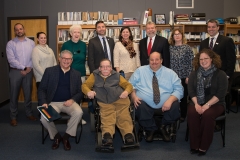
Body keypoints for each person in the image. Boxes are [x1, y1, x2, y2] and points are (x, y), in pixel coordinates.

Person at [129, 52, 183, 142]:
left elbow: (179, 89)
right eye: (152, 60)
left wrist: (170, 100)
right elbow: (130, 85)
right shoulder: (140, 71)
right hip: (145, 104)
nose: (154, 62)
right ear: (148, 61)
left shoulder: (170, 73)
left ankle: (162, 126)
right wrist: (134, 96)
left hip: (166, 104)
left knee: (175, 105)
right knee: (139, 105)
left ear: (161, 61)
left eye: (157, 59)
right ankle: (151, 128)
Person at [82, 59, 135, 146]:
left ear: (111, 68)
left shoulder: (117, 75)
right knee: (107, 115)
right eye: (103, 67)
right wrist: (89, 92)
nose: (105, 69)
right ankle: (107, 135)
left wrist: (126, 92)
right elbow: (85, 85)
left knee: (123, 114)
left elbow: (128, 85)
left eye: (108, 66)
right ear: (99, 68)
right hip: (103, 100)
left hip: (119, 98)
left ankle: (127, 134)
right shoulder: (94, 75)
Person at [38, 50, 83, 151]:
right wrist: (44, 102)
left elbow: (80, 92)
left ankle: (66, 137)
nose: (66, 61)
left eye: (69, 59)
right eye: (64, 58)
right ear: (59, 59)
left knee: (79, 112)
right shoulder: (50, 71)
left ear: (71, 60)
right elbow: (42, 89)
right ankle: (57, 136)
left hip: (69, 102)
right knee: (43, 118)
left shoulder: (76, 74)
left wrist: (72, 100)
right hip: (53, 102)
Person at [187, 49, 228, 156]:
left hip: (216, 103)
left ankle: (204, 146)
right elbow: (191, 91)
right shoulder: (194, 74)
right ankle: (194, 144)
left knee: (207, 114)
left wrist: (207, 105)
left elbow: (221, 94)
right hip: (197, 101)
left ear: (212, 59)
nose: (203, 61)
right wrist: (196, 104)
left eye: (206, 58)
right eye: (201, 59)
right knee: (192, 112)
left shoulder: (221, 74)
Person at [6, 23, 37, 126]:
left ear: (24, 30)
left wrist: (28, 69)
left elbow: (33, 57)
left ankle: (29, 113)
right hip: (15, 72)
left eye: (20, 29)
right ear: (15, 31)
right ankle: (13, 117)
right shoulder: (10, 44)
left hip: (28, 72)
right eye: (17, 29)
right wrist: (23, 68)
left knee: (28, 95)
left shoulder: (31, 43)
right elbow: (11, 60)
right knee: (14, 95)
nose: (19, 31)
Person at [61, 24, 87, 125]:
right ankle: (71, 117)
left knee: (79, 95)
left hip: (81, 73)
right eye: (74, 32)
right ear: (71, 33)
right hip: (69, 73)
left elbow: (84, 59)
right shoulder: (66, 45)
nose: (76, 34)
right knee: (70, 95)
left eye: (78, 32)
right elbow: (63, 60)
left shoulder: (84, 44)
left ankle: (78, 117)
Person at [169, 29, 194, 122]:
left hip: (184, 77)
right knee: (173, 96)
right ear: (173, 37)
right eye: (175, 34)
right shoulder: (170, 48)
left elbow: (191, 63)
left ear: (182, 36)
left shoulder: (187, 48)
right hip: (172, 77)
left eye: (179, 34)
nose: (177, 36)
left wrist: (189, 76)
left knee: (183, 97)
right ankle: (174, 113)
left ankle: (183, 115)